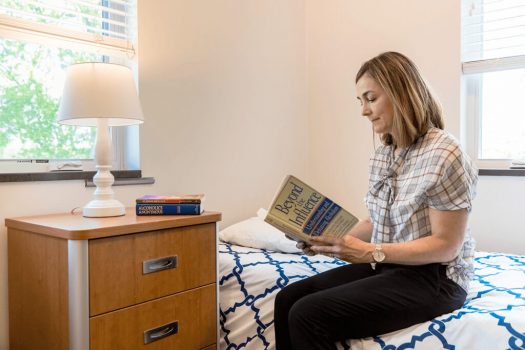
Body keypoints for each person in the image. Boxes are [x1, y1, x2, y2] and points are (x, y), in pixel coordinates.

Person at [273, 51, 478, 350]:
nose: (364, 111)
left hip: (435, 277)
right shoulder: (384, 154)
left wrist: (371, 252)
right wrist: (326, 241)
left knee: (308, 314)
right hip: (390, 266)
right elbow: (376, 221)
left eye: (370, 98)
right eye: (360, 101)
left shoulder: (445, 153)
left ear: (400, 93)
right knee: (287, 299)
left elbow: (447, 245)